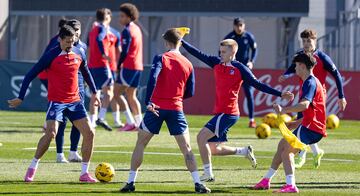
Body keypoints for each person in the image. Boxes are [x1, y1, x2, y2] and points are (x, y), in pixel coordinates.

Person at [181, 39, 294, 182]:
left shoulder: (240, 68)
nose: (220, 54)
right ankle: (243, 151)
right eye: (220, 51)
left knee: (200, 138)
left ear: (232, 52)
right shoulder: (216, 62)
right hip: (222, 113)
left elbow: (258, 84)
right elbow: (197, 53)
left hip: (228, 113)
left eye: (223, 52)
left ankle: (208, 174)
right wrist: (182, 41)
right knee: (213, 149)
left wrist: (280, 94)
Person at [120, 28, 210, 193]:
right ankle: (198, 183)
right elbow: (191, 92)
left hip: (156, 108)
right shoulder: (188, 63)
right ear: (180, 43)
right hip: (176, 109)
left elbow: (153, 77)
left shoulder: (161, 58)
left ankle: (131, 182)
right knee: (187, 149)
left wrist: (148, 101)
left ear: (167, 42)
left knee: (141, 143)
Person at [8, 25, 100, 183]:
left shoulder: (80, 52)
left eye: (73, 41)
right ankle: (33, 166)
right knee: (51, 134)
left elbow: (86, 72)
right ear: (60, 39)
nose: (71, 44)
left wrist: (94, 92)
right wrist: (21, 97)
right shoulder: (51, 55)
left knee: (90, 133)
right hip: (57, 103)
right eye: (67, 41)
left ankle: (84, 173)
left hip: (75, 102)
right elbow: (30, 74)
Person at [254, 53, 327, 193]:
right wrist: (296, 123)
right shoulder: (310, 81)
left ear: (303, 66)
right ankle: (266, 180)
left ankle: (291, 185)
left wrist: (283, 110)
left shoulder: (310, 82)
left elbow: (304, 105)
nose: (295, 69)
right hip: (309, 126)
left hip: (311, 129)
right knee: (282, 146)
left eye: (296, 66)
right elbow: (314, 112)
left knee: (287, 153)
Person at [278, 29, 346, 169]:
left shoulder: (322, 57)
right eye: (303, 41)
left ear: (315, 41)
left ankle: (301, 154)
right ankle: (316, 151)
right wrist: (286, 75)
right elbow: (292, 67)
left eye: (309, 40)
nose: (306, 43)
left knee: (307, 124)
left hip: (317, 96)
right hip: (305, 93)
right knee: (306, 124)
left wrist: (341, 96)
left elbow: (337, 74)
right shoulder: (300, 56)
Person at [224, 18, 258, 128]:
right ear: (233, 26)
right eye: (237, 25)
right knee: (229, 94)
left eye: (241, 25)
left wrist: (251, 61)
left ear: (244, 25)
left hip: (245, 70)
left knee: (249, 94)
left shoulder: (249, 37)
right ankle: (226, 117)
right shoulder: (229, 38)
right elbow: (221, 51)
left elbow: (255, 50)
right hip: (233, 70)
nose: (239, 28)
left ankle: (251, 120)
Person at [115, 3, 143, 131]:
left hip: (129, 66)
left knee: (116, 93)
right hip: (138, 66)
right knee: (131, 95)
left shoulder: (127, 30)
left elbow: (125, 51)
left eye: (122, 16)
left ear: (129, 17)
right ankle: (140, 124)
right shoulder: (137, 28)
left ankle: (131, 122)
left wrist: (118, 65)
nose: (120, 19)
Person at [87, 8, 114, 131]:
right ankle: (101, 117)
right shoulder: (102, 28)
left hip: (92, 66)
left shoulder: (92, 30)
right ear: (107, 17)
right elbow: (99, 39)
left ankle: (92, 121)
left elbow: (88, 45)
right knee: (109, 92)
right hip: (102, 65)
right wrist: (103, 53)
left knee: (95, 93)